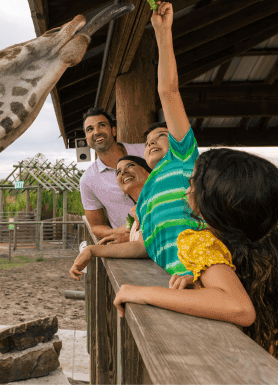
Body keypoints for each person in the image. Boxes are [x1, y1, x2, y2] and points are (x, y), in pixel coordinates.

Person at [71, 0, 202, 279]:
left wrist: (162, 33)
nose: (152, 142)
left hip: (201, 269)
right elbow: (143, 244)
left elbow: (168, 91)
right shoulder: (147, 198)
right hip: (170, 274)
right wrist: (94, 250)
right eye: (148, 140)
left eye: (161, 136)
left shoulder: (181, 159)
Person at [113, 147, 278, 357]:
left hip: (248, 359)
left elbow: (240, 308)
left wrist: (139, 292)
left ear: (213, 196)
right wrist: (201, 278)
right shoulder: (266, 236)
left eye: (191, 183)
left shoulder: (199, 241)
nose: (186, 190)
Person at [70, 155, 152, 279]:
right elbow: (144, 242)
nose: (123, 172)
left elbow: (143, 247)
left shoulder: (155, 202)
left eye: (130, 165)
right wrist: (129, 238)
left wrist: (92, 250)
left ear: (150, 173)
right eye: (118, 172)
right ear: (122, 189)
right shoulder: (138, 213)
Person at [79, 107, 145, 244]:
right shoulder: (88, 180)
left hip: (165, 233)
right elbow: (96, 226)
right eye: (90, 129)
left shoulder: (144, 151)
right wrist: (117, 231)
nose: (96, 132)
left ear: (113, 130)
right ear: (86, 139)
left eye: (102, 125)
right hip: (130, 246)